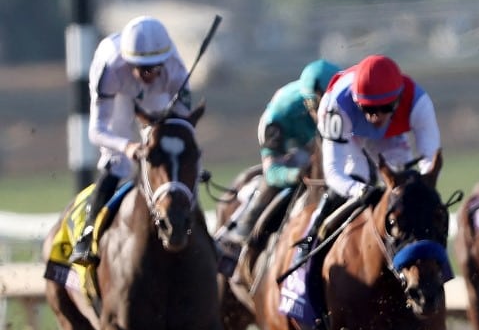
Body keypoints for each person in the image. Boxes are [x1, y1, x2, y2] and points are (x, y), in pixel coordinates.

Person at [290, 54, 441, 267]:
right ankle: (311, 238)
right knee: (358, 177)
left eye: (384, 108)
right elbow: (334, 172)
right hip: (350, 131)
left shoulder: (419, 102)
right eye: (368, 109)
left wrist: (423, 188)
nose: (375, 117)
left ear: (398, 99)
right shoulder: (336, 104)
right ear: (357, 101)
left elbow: (431, 161)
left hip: (390, 136)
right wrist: (359, 190)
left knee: (406, 188)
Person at [70, 15, 191, 266]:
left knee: (174, 156)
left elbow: (184, 125)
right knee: (119, 162)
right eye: (143, 68)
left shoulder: (174, 70)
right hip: (119, 93)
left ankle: (200, 234)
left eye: (155, 67)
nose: (149, 74)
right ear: (129, 61)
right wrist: (128, 146)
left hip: (157, 98)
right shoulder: (111, 67)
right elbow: (97, 130)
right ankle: (87, 234)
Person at [216, 58, 340, 263]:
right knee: (281, 176)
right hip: (289, 144)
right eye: (317, 105)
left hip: (315, 141)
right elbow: (272, 171)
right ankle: (240, 237)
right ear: (307, 101)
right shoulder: (281, 113)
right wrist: (295, 174)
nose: (324, 112)